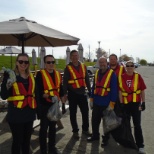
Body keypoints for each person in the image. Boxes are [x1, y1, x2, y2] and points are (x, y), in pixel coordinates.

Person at [1, 53, 37, 154]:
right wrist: (8, 83)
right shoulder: (10, 75)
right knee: (17, 141)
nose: (23, 64)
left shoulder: (31, 76)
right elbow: (3, 95)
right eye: (21, 61)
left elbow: (35, 94)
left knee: (26, 142)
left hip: (29, 113)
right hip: (16, 114)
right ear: (17, 62)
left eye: (26, 62)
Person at [35, 55, 65, 154]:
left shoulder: (57, 74)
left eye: (53, 62)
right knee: (44, 128)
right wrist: (48, 97)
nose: (51, 64)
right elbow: (38, 91)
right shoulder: (40, 74)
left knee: (53, 128)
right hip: (44, 106)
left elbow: (60, 87)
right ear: (45, 63)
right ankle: (43, 150)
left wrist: (63, 95)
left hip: (55, 105)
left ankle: (52, 148)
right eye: (48, 62)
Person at [87, 56, 118, 146]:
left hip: (106, 103)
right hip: (97, 102)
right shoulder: (97, 73)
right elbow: (94, 87)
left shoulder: (112, 74)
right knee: (94, 121)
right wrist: (91, 99)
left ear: (106, 63)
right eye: (100, 62)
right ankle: (95, 135)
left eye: (103, 62)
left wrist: (112, 103)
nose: (102, 64)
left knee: (106, 122)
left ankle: (106, 139)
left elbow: (114, 90)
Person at [118, 60, 146, 154]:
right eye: (128, 66)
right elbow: (120, 91)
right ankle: (128, 142)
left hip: (136, 104)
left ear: (134, 67)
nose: (130, 67)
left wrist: (143, 102)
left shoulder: (138, 76)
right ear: (125, 67)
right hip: (126, 104)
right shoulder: (121, 77)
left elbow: (142, 90)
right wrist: (121, 103)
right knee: (126, 124)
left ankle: (140, 145)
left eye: (131, 66)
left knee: (137, 124)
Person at [63, 49, 91, 139]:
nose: (75, 57)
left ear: (79, 56)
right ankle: (75, 131)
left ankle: (85, 130)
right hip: (72, 94)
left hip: (82, 93)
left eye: (76, 55)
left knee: (85, 113)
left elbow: (86, 79)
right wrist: (64, 94)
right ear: (70, 57)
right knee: (73, 114)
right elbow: (65, 82)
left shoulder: (83, 66)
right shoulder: (68, 68)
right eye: (73, 56)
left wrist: (90, 91)